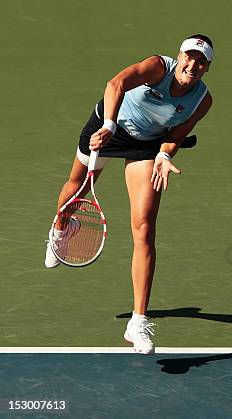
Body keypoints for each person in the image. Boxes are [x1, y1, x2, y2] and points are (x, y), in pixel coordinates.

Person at [44, 34, 214, 354]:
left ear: (207, 68)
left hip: (147, 146)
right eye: (189, 57)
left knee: (144, 228)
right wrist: (108, 124)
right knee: (76, 188)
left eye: (201, 61)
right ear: (180, 56)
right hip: (110, 129)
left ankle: (137, 322)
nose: (193, 65)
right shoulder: (157, 68)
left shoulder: (201, 100)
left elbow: (176, 135)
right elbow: (116, 83)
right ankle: (60, 227)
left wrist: (165, 156)